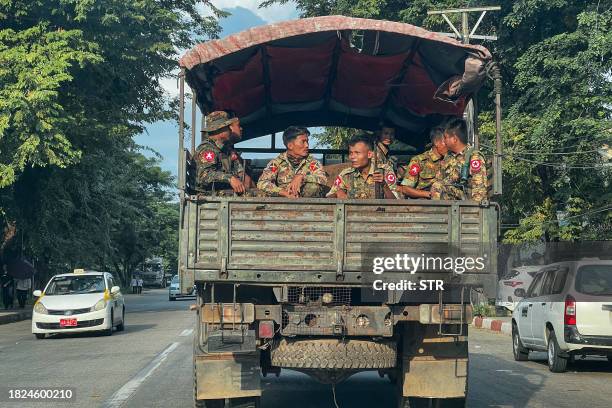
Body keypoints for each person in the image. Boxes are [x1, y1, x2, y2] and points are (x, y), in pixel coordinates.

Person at [257, 127, 328, 198]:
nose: (307, 145)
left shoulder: (313, 162)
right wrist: (282, 192)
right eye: (303, 142)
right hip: (283, 203)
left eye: (307, 141)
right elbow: (262, 183)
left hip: (308, 204)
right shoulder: (277, 163)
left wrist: (302, 177)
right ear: (290, 145)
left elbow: (323, 180)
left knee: (313, 187)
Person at [327, 134, 401, 199]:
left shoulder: (384, 171)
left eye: (357, 153)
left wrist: (384, 186)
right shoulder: (346, 174)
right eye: (351, 153)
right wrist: (337, 193)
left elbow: (396, 203)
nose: (352, 157)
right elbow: (327, 198)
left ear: (369, 154)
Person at [430, 118, 488, 201]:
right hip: (452, 200)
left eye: (446, 137)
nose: (444, 141)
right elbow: (439, 179)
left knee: (438, 186)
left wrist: (474, 211)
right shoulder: (449, 157)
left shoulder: (473, 157)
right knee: (437, 185)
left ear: (454, 139)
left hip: (465, 202)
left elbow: (479, 189)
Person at [195, 111, 247, 195]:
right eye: (228, 127)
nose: (231, 130)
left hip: (218, 192)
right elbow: (204, 175)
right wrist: (230, 178)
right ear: (220, 130)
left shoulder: (223, 149)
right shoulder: (207, 149)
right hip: (208, 195)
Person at [398, 127, 447, 199]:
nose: (449, 146)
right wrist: (428, 194)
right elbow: (405, 189)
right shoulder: (419, 161)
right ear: (436, 142)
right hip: (424, 206)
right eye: (446, 143)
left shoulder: (449, 160)